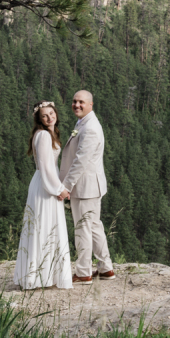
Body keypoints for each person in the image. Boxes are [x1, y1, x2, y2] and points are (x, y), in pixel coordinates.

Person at [13, 101, 73, 290]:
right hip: (46, 186)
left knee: (44, 227)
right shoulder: (44, 136)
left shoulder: (46, 135)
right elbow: (46, 167)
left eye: (51, 113)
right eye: (44, 115)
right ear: (39, 119)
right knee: (45, 227)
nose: (49, 117)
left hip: (44, 183)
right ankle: (39, 277)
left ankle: (43, 275)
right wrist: (59, 189)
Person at [59, 90, 115, 285]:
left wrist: (66, 186)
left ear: (91, 104)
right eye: (74, 101)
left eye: (81, 102)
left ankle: (83, 272)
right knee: (93, 226)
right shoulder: (84, 123)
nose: (77, 105)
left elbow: (80, 161)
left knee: (83, 228)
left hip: (85, 188)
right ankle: (105, 268)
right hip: (90, 186)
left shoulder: (90, 128)